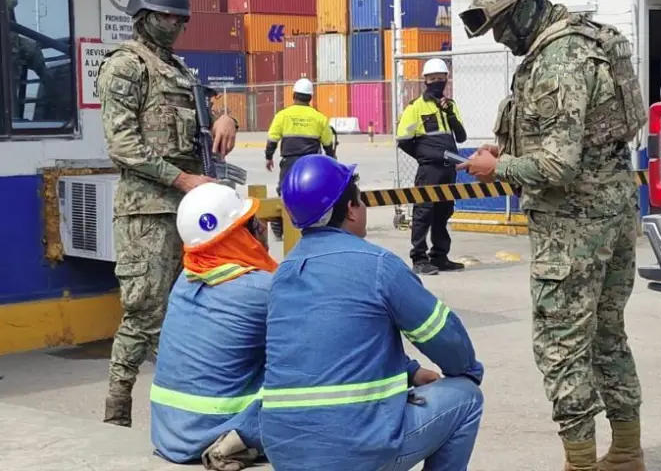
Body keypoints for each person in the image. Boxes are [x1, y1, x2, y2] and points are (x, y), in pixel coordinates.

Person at [457, 0, 645, 470]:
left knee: (560, 346)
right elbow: (586, 137)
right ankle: (626, 453)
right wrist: (508, 149)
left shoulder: (557, 60)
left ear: (525, 6)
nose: (499, 36)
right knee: (608, 336)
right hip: (613, 211)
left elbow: (559, 165)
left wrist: (498, 168)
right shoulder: (588, 41)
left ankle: (581, 462)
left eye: (502, 23)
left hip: (573, 229)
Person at [259, 154, 485, 471]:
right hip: (356, 450)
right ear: (351, 209)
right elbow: (444, 337)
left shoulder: (284, 273)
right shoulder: (378, 265)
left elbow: (326, 343)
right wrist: (468, 370)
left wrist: (409, 371)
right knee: (466, 396)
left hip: (285, 451)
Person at [98, 0, 239, 428]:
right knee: (144, 314)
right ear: (143, 15)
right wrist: (182, 180)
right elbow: (123, 145)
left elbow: (203, 118)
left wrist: (227, 118)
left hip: (190, 211)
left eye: (182, 20)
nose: (176, 26)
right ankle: (117, 412)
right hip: (148, 213)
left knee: (189, 313)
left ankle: (184, 411)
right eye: (168, 17)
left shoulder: (178, 70)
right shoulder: (126, 66)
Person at [150, 183, 276, 469]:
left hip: (170, 434)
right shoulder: (261, 289)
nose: (262, 228)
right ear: (237, 236)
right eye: (251, 223)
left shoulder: (185, 281)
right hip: (214, 430)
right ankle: (241, 439)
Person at [396, 58, 467, 276]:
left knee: (443, 212)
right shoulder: (415, 107)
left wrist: (450, 114)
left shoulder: (450, 105)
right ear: (425, 80)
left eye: (440, 78)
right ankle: (419, 258)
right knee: (424, 212)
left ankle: (440, 256)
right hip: (430, 170)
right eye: (432, 78)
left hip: (448, 168)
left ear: (446, 79)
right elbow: (403, 139)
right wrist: (424, 156)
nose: (437, 82)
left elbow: (461, 137)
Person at [265, 78, 335, 240]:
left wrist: (269, 157)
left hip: (289, 161)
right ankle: (312, 224)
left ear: (294, 95)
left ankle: (278, 223)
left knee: (284, 192)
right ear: (310, 97)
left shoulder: (282, 115)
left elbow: (272, 138)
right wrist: (331, 159)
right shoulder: (319, 118)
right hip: (311, 163)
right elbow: (328, 144)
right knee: (313, 192)